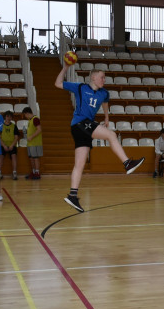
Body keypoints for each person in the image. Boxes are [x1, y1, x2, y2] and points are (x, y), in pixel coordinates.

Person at [55, 65, 144, 213]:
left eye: (105, 77)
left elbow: (105, 102)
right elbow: (58, 84)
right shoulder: (80, 87)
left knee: (80, 165)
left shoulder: (104, 93)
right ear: (93, 77)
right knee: (111, 135)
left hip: (84, 127)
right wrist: (64, 68)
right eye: (101, 77)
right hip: (79, 123)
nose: (104, 79)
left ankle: (72, 195)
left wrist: (107, 117)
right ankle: (127, 163)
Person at [0, 110, 20, 180]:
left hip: (12, 145)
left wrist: (12, 145)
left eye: (10, 116)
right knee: (1, 156)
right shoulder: (1, 125)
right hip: (2, 145)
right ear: (5, 117)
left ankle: (14, 172)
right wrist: (4, 145)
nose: (9, 118)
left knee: (14, 156)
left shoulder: (14, 126)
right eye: (7, 116)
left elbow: (16, 137)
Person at [22, 106, 43, 179]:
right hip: (30, 143)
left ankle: (37, 172)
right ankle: (33, 172)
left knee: (35, 158)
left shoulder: (35, 119)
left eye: (25, 115)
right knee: (31, 158)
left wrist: (31, 137)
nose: (25, 116)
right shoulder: (30, 121)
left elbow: (39, 129)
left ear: (27, 113)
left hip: (35, 143)